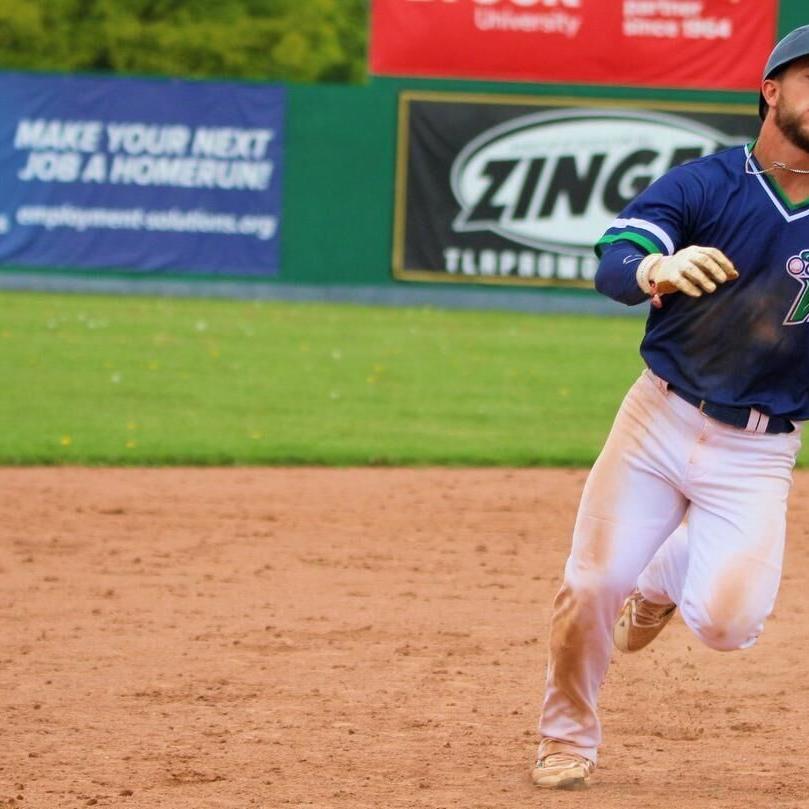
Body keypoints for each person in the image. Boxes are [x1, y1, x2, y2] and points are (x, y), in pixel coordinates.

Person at [531, 24, 809, 790]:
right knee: (588, 585)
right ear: (771, 90)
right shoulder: (707, 184)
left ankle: (659, 581)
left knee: (726, 625)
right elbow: (614, 258)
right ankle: (566, 738)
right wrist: (657, 262)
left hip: (758, 449)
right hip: (658, 420)